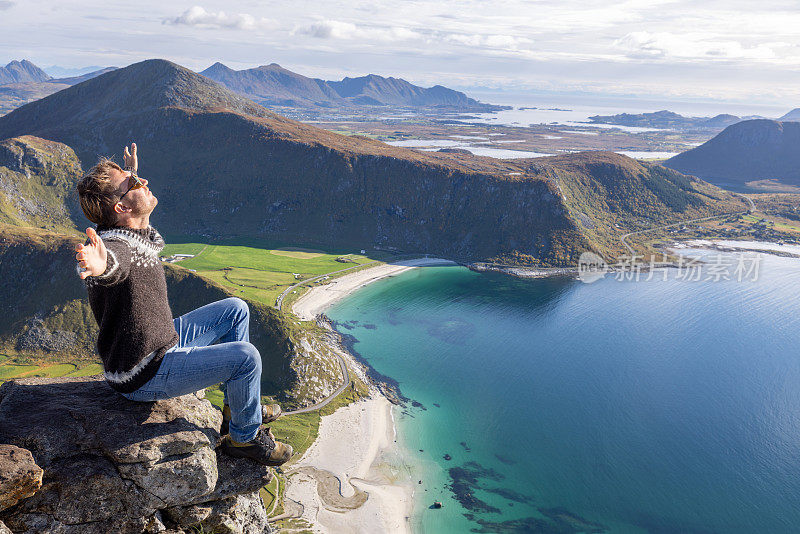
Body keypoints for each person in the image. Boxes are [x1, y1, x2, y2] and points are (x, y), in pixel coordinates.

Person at [74, 142, 292, 466]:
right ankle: (244, 439)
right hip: (144, 371)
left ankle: (237, 409)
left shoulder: (131, 232)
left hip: (161, 343)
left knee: (236, 309)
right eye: (134, 185)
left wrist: (131, 174)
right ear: (120, 208)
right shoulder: (116, 246)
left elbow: (130, 221)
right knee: (246, 359)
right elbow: (112, 264)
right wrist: (99, 265)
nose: (143, 183)